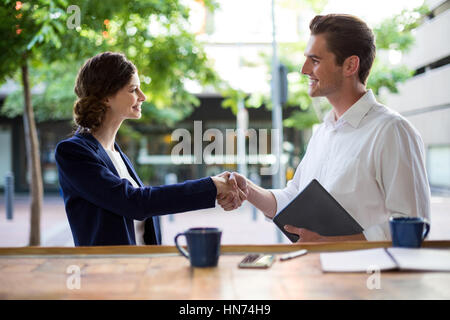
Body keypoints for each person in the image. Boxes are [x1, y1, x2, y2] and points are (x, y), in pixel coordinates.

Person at [219, 14, 431, 242]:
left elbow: (414, 225)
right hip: (317, 273)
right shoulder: (323, 132)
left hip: (368, 276)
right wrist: (248, 189)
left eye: (315, 60)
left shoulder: (392, 131)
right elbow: (293, 198)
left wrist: (333, 242)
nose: (304, 69)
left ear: (350, 65)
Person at [55, 52, 247, 246]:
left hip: (140, 266)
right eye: (133, 90)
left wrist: (216, 186)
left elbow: (143, 207)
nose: (143, 96)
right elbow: (135, 203)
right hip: (106, 271)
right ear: (106, 97)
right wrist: (211, 186)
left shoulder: (115, 153)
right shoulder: (73, 152)